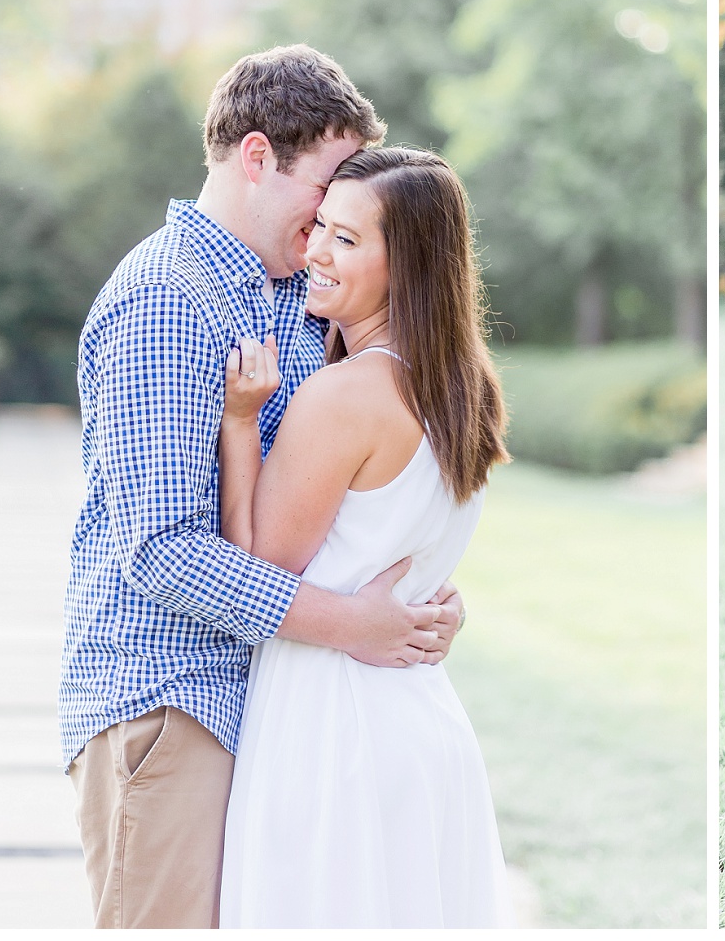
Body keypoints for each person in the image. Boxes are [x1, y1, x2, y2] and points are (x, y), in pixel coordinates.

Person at [60, 45, 466, 929]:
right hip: (170, 703)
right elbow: (163, 551)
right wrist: (356, 623)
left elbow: (348, 482)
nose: (330, 223)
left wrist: (419, 588)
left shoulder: (289, 288)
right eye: (325, 189)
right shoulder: (167, 300)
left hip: (275, 703)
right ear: (255, 157)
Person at [215, 146, 512, 927]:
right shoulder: (464, 387)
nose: (315, 250)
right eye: (321, 228)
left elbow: (259, 568)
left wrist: (241, 422)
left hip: (331, 726)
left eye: (346, 240)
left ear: (405, 265)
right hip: (421, 722)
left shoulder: (344, 395)